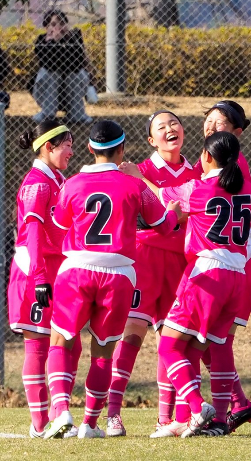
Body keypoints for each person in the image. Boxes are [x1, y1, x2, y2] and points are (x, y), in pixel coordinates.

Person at [41, 119, 173, 439]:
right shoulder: (135, 186)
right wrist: (175, 213)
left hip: (78, 270)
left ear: (89, 148)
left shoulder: (72, 184)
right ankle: (90, 423)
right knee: (103, 352)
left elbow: (58, 226)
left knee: (61, 340)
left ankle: (61, 410)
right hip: (119, 274)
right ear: (122, 149)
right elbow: (163, 224)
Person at [152, 130, 251, 437]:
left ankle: (197, 408)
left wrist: (136, 177)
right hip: (237, 274)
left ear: (207, 157)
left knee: (169, 346)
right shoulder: (245, 190)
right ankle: (217, 422)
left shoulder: (198, 188)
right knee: (201, 347)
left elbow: (162, 197)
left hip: (208, 274)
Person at [107, 110, 198, 437]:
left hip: (180, 262)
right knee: (132, 334)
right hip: (144, 257)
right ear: (151, 140)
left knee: (171, 338)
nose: (170, 129)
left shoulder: (197, 171)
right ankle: (113, 414)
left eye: (174, 123)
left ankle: (165, 419)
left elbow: (187, 209)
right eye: (161, 126)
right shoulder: (140, 169)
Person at [196, 99, 251, 433]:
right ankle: (237, 404)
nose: (212, 126)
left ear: (237, 133)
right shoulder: (218, 161)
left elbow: (192, 200)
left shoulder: (230, 161)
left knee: (212, 341)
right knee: (207, 341)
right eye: (209, 120)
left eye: (221, 123)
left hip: (231, 263)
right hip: (229, 262)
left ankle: (223, 411)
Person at [9, 120, 74, 436]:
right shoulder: (37, 182)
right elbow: (33, 231)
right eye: (67, 146)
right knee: (38, 347)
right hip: (36, 273)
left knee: (67, 343)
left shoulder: (58, 179)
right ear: (49, 147)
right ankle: (40, 424)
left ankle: (60, 414)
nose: (71, 152)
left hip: (58, 271)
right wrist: (38, 279)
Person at [31, 9, 94, 125]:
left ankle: (77, 115)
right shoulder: (41, 40)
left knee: (74, 75)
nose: (58, 27)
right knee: (52, 74)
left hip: (72, 83)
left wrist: (65, 41)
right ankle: (47, 114)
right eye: (53, 24)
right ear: (46, 27)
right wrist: (53, 43)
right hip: (49, 88)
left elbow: (76, 63)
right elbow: (48, 64)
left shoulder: (74, 38)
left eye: (62, 23)